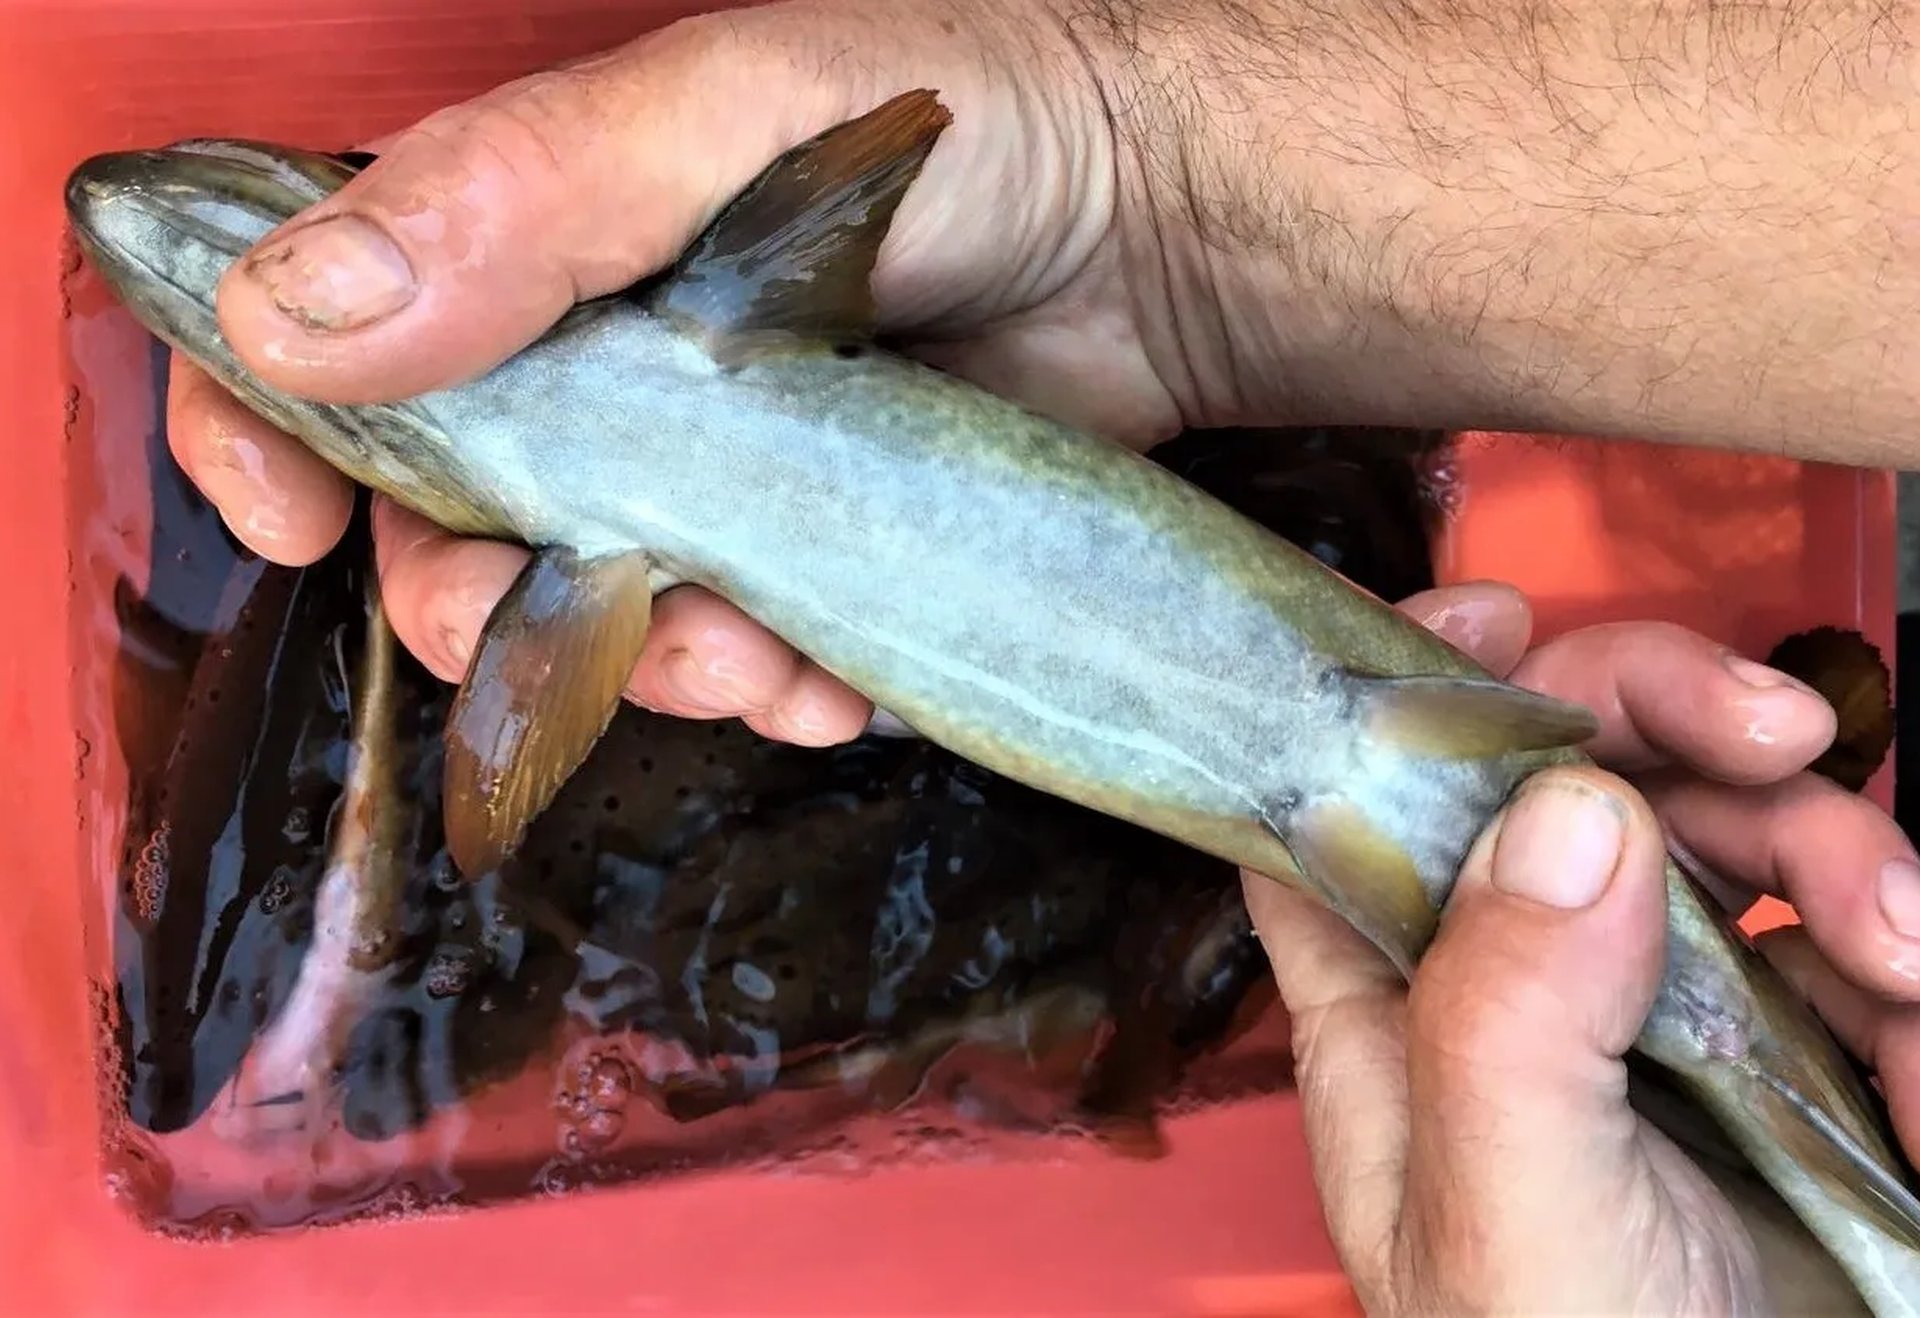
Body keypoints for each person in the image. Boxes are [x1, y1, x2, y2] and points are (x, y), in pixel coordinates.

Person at [160, 0, 1918, 1308]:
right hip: (1377, 773)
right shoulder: (670, 400)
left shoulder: (629, 453)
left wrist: (1122, 169)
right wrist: (1125, 174)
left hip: (1373, 773)